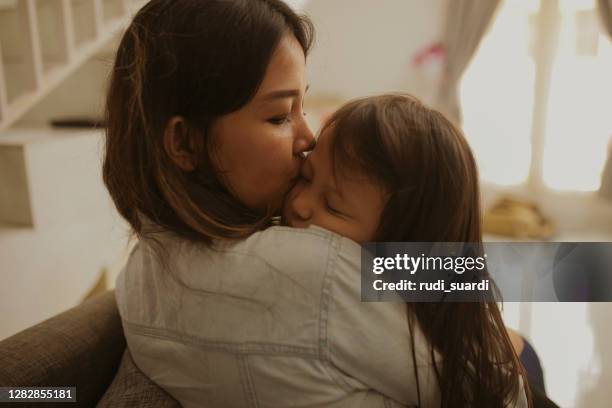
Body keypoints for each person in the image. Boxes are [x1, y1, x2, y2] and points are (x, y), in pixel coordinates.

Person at [106, 1, 536, 407]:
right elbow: (495, 386)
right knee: (523, 350)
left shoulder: (139, 272)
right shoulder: (317, 271)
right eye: (279, 116)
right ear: (183, 142)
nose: (308, 138)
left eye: (302, 106)